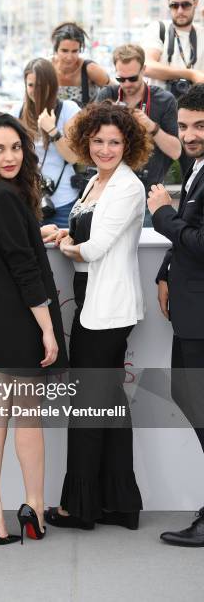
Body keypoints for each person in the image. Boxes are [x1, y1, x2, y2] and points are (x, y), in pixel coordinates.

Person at [44, 101, 152, 531]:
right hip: (91, 299)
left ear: (128, 145)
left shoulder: (127, 186)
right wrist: (65, 232)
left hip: (107, 308)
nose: (106, 149)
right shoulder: (94, 182)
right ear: (86, 140)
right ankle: (119, 503)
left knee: (89, 405)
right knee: (106, 402)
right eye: (99, 141)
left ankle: (81, 506)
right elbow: (86, 232)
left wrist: (69, 246)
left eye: (115, 142)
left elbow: (95, 247)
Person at [0, 112, 69, 545]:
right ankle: (33, 505)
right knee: (28, 419)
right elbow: (24, 268)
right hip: (21, 322)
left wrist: (33, 229)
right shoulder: (6, 196)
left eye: (15, 147)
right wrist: (47, 329)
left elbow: (11, 248)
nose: (9, 156)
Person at [148, 84, 204, 547]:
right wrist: (165, 271)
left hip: (202, 315)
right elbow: (188, 229)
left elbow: (199, 241)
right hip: (188, 310)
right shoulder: (194, 167)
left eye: (199, 125)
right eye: (183, 125)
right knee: (186, 396)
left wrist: (162, 215)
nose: (189, 134)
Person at [96, 44, 181, 225]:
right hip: (110, 194)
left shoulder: (164, 100)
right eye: (121, 78)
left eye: (132, 78)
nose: (126, 84)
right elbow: (90, 140)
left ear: (144, 70)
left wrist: (151, 127)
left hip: (148, 196)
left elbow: (176, 151)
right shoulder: (107, 96)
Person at [142, 0, 204, 175]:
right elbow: (148, 66)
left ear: (196, 3)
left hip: (193, 112)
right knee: (152, 174)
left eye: (185, 5)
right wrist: (191, 74)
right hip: (161, 110)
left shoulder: (201, 34)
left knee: (196, 172)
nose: (179, 10)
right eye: (174, 5)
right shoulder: (159, 29)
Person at [17, 57, 80, 228]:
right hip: (27, 201)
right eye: (30, 85)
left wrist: (52, 131)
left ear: (51, 85)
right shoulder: (18, 113)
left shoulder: (69, 109)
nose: (35, 91)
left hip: (63, 202)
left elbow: (74, 157)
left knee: (63, 251)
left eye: (40, 86)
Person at [51, 22, 110, 107]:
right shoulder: (47, 68)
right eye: (64, 51)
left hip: (87, 119)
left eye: (75, 51)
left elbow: (116, 91)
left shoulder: (90, 69)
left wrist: (99, 107)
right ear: (56, 49)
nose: (69, 57)